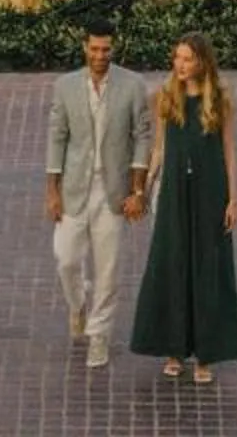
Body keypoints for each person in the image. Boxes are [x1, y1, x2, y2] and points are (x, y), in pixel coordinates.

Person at [128, 32, 237, 385]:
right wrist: (143, 189)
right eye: (176, 57)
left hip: (210, 193)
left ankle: (206, 355)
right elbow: (159, 149)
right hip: (175, 193)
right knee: (172, 264)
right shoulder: (165, 97)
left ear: (202, 62)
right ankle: (174, 350)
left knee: (208, 268)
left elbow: (228, 151)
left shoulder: (219, 100)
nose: (180, 65)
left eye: (187, 58)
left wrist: (234, 198)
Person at [44, 21, 152, 370]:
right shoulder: (65, 87)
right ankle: (77, 304)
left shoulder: (133, 86)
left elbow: (143, 136)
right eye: (94, 49)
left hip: (113, 192)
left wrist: (138, 189)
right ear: (84, 48)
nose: (100, 55)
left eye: (106, 49)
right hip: (75, 189)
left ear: (114, 49)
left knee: (107, 269)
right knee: (66, 259)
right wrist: (52, 191)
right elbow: (57, 137)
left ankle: (100, 335)